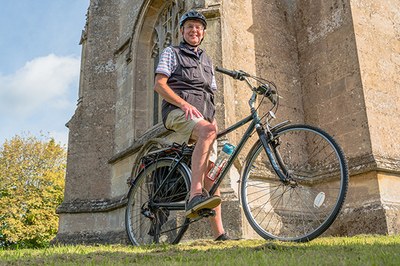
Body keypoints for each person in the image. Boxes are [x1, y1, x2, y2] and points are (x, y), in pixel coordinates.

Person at [153, 10, 229, 241]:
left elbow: (210, 95)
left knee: (212, 176)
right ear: (182, 31)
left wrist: (212, 119)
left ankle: (219, 234)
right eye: (189, 27)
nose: (194, 31)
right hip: (177, 112)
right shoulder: (171, 52)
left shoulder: (207, 61)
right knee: (207, 131)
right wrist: (183, 104)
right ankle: (195, 194)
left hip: (204, 119)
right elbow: (159, 85)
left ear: (203, 33)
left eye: (198, 27)